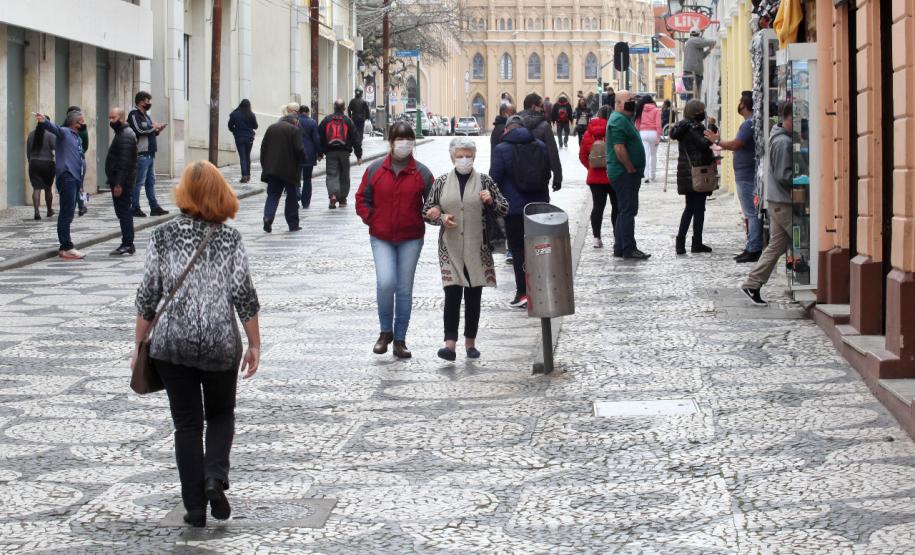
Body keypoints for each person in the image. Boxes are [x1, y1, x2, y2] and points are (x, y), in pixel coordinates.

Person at [133, 160, 260, 529]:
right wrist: (254, 344)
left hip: (173, 344)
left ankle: (193, 507)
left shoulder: (162, 236)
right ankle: (214, 476)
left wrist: (137, 344)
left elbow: (147, 297)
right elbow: (244, 296)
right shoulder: (230, 238)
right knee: (221, 414)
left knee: (187, 424)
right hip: (220, 342)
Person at [423, 137, 508, 361]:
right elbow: (426, 212)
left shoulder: (485, 181)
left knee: (473, 295)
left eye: (468, 155)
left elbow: (504, 208)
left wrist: (490, 201)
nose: (464, 159)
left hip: (477, 247)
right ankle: (449, 345)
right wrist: (439, 216)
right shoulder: (441, 182)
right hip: (449, 248)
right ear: (452, 157)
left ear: (474, 157)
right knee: (452, 293)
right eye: (459, 155)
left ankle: (470, 343)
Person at [355, 122, 433, 359]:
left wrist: (433, 214)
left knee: (404, 288)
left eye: (409, 139)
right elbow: (361, 199)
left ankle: (400, 338)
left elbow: (433, 202)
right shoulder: (375, 169)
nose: (405, 144)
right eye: (400, 139)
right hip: (382, 237)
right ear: (391, 142)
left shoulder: (422, 173)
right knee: (386, 282)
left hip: (411, 237)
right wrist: (372, 219)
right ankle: (384, 331)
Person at [489, 115, 551, 308]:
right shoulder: (540, 145)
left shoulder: (501, 149)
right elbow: (547, 173)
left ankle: (523, 293)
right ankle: (540, 290)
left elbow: (494, 179)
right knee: (538, 249)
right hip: (538, 208)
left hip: (514, 210)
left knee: (517, 250)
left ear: (507, 130)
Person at [740, 102, 794, 306]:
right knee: (807, 239)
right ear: (787, 118)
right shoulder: (783, 143)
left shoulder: (781, 138)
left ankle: (752, 283)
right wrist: (803, 180)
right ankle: (816, 282)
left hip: (777, 200)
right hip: (783, 201)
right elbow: (784, 175)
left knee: (776, 246)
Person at [706, 91, 761, 263]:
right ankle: (751, 245)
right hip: (746, 172)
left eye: (740, 101)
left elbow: (737, 144)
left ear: (744, 104)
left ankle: (754, 248)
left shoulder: (748, 125)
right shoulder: (750, 123)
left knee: (751, 213)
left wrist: (717, 141)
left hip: (746, 174)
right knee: (750, 213)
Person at [34, 110, 86, 260]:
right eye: (81, 122)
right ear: (74, 123)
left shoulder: (78, 138)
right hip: (67, 176)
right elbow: (53, 127)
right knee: (66, 213)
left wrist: (81, 183)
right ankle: (66, 247)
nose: (83, 124)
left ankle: (67, 245)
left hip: (76, 178)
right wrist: (43, 120)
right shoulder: (64, 132)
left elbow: (80, 160)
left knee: (69, 213)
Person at [605, 90, 649, 260]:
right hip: (624, 173)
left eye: (634, 99)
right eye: (629, 100)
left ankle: (620, 246)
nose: (633, 102)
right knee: (628, 210)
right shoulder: (618, 120)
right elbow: (619, 148)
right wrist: (630, 167)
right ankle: (629, 248)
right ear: (618, 103)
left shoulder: (624, 119)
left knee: (624, 210)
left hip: (626, 173)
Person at [670, 99, 715, 255]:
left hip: (688, 173)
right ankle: (694, 243)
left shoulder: (684, 126)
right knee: (697, 209)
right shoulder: (692, 128)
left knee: (691, 208)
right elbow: (704, 144)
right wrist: (712, 128)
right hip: (696, 172)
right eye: (701, 110)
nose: (703, 113)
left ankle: (684, 243)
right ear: (696, 112)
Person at [260, 111, 306, 233]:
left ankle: (268, 217)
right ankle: (293, 224)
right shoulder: (294, 130)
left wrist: (265, 165)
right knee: (291, 197)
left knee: (273, 195)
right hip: (289, 170)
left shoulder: (271, 128)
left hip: (272, 169)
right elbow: (299, 149)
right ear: (294, 121)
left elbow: (263, 148)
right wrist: (304, 159)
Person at [579, 105, 617, 249]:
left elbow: (582, 156)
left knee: (597, 207)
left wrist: (591, 168)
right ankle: (617, 236)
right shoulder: (613, 130)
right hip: (613, 175)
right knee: (617, 207)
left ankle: (596, 238)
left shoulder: (589, 133)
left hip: (595, 178)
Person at [128, 91, 169, 218]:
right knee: (138, 182)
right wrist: (154, 128)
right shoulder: (134, 114)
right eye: (147, 101)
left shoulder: (146, 115)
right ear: (140, 102)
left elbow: (150, 132)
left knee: (150, 182)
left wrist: (158, 130)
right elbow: (139, 130)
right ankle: (135, 207)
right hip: (141, 154)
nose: (149, 103)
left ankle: (154, 207)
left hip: (150, 153)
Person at [105, 108, 138, 256]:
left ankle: (127, 243)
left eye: (113, 118)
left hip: (122, 183)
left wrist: (118, 184)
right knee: (123, 212)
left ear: (122, 118)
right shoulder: (122, 133)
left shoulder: (125, 135)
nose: (111, 121)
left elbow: (124, 163)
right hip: (121, 181)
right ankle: (127, 243)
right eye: (109, 118)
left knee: (124, 212)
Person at [319, 99, 364, 209]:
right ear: (344, 108)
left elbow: (319, 136)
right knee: (344, 175)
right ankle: (343, 199)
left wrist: (319, 153)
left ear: (334, 107)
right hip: (344, 153)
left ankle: (333, 195)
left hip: (330, 152)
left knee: (331, 174)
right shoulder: (347, 120)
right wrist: (359, 156)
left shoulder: (327, 119)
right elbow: (355, 138)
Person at [518, 93, 562, 192]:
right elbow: (553, 153)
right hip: (540, 180)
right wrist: (557, 178)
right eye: (541, 106)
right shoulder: (545, 126)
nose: (543, 109)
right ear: (534, 107)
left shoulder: (513, 123)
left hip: (516, 178)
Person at [61, 106, 89, 217]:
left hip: (69, 160)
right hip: (81, 159)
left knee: (75, 185)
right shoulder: (83, 129)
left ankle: (76, 206)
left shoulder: (63, 128)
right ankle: (82, 206)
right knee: (80, 184)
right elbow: (86, 145)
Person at [26, 124, 56, 220]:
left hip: (34, 163)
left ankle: (36, 211)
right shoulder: (50, 134)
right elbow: (56, 147)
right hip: (48, 164)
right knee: (48, 189)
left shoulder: (31, 135)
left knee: (36, 188)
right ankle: (49, 210)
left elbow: (28, 152)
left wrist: (31, 162)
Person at [297, 105, 322, 209]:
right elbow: (316, 138)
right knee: (307, 179)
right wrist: (320, 153)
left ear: (299, 112)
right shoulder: (312, 122)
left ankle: (296, 197)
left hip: (296, 152)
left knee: (295, 177)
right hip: (309, 154)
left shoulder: (294, 121)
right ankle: (306, 202)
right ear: (308, 112)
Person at [227, 99, 258, 183]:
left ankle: (244, 175)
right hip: (249, 138)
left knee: (242, 157)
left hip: (239, 137)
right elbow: (255, 126)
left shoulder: (234, 114)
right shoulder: (251, 115)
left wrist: (234, 131)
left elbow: (230, 126)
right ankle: (248, 175)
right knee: (247, 156)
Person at [634, 95, 662, 183]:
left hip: (643, 133)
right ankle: (653, 175)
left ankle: (646, 176)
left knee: (645, 154)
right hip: (653, 133)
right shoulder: (656, 110)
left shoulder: (640, 110)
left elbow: (637, 123)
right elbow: (658, 124)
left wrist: (638, 134)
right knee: (653, 155)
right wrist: (659, 136)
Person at [683, 28, 716, 97]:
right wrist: (712, 43)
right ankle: (692, 107)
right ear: (698, 34)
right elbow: (712, 41)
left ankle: (691, 107)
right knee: (693, 97)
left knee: (693, 97)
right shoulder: (694, 40)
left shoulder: (692, 43)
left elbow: (701, 56)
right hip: (692, 73)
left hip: (693, 73)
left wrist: (709, 49)